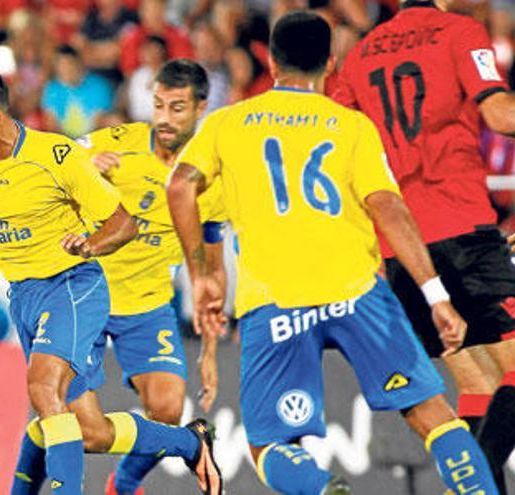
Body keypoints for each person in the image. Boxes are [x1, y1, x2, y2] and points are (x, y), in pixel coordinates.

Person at [168, 11, 499, 495]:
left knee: (269, 446)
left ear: (271, 61)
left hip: (275, 301)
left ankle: (323, 489)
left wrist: (202, 276)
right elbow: (387, 206)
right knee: (433, 414)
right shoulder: (351, 126)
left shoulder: (227, 125)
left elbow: (183, 191)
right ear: (331, 62)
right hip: (359, 293)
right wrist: (435, 295)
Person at [0, 65, 223, 495]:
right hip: (25, 295)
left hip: (72, 284)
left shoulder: (57, 157)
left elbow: (124, 226)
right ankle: (187, 442)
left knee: (43, 388)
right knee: (91, 431)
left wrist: (88, 244)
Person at [333, 0, 515, 490]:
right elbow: (499, 113)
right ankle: (477, 486)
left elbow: (337, 149)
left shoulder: (361, 55)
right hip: (462, 227)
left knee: (478, 385)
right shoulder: (459, 32)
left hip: (402, 250)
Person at [75, 58, 226, 495]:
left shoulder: (210, 180)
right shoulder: (116, 144)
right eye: (158, 104)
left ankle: (120, 488)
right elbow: (52, 163)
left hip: (148, 305)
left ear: (201, 107)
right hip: (86, 296)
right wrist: (82, 170)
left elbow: (211, 268)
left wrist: (211, 352)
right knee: (74, 423)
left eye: (176, 108)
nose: (163, 118)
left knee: (166, 408)